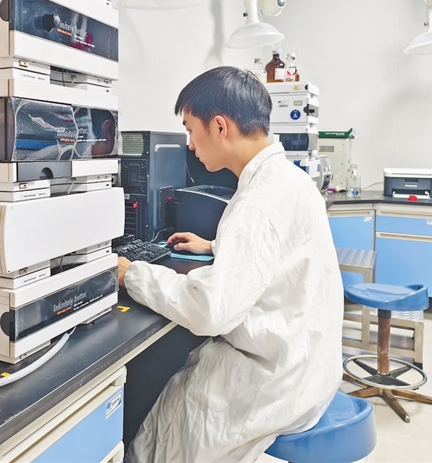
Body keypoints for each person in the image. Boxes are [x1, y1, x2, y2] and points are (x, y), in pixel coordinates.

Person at [118, 66, 344, 463]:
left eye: (191, 130)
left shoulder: (256, 202)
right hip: (312, 369)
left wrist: (132, 274)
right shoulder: (287, 180)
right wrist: (217, 245)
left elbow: (210, 310)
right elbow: (279, 251)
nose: (190, 144)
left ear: (220, 127)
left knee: (163, 428)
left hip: (276, 383)